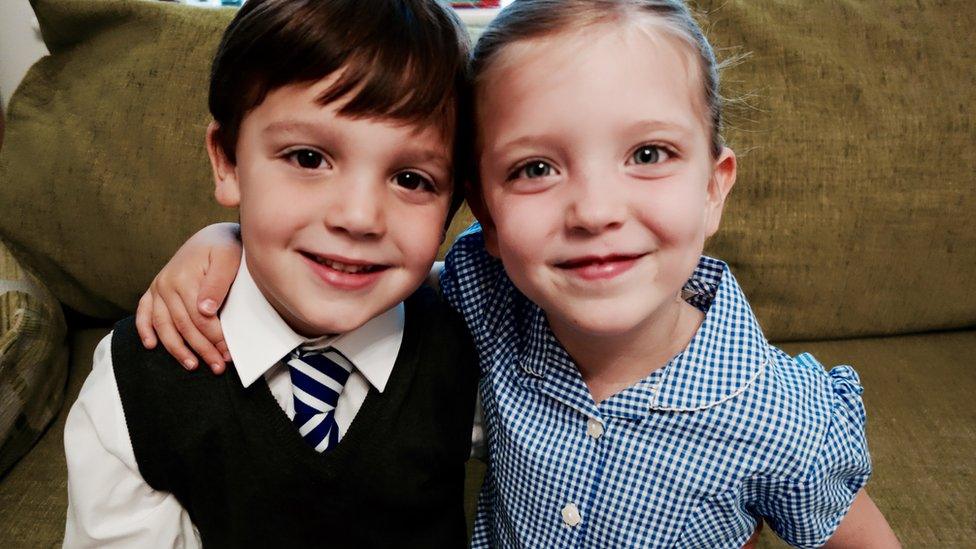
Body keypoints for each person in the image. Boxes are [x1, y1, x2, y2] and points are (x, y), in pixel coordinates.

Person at [135, 0, 901, 547]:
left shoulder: (778, 415)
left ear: (713, 186)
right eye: (536, 167)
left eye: (648, 154)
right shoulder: (485, 300)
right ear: (488, 219)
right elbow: (362, 274)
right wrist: (227, 241)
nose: (596, 209)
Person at [62, 0, 478, 546]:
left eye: (411, 179)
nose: (357, 217)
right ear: (228, 161)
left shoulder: (475, 334)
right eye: (308, 158)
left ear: (454, 202)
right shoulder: (136, 384)